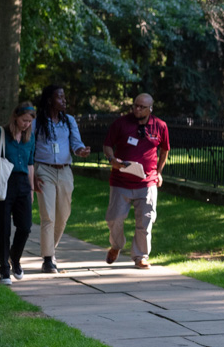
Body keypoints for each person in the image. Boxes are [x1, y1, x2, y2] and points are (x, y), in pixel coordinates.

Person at [102, 93, 170, 269]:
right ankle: (116, 245)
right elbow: (107, 144)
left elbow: (164, 151)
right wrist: (112, 160)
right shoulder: (121, 123)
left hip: (147, 182)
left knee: (145, 221)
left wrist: (159, 172)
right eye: (135, 105)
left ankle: (140, 256)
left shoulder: (160, 126)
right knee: (113, 219)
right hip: (120, 181)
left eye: (142, 107)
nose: (137, 109)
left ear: (150, 109)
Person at [32, 84, 91, 274]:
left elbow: (76, 142)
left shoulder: (69, 121)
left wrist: (81, 151)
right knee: (48, 215)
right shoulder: (37, 122)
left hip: (65, 171)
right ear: (50, 100)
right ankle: (48, 259)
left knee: (63, 215)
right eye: (60, 97)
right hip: (44, 170)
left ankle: (51, 250)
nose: (64, 100)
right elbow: (29, 149)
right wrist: (32, 175)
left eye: (64, 97)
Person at [0, 103, 37, 285]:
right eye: (24, 120)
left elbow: (30, 164)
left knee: (25, 227)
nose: (26, 124)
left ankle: (14, 258)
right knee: (2, 228)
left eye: (30, 121)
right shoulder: (0, 133)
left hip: (23, 184)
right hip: (3, 182)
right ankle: (4, 270)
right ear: (15, 116)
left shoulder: (30, 138)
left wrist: (32, 189)